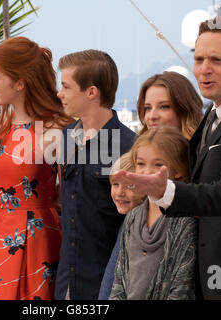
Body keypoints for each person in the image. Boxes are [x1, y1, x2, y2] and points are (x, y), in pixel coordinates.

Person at [115, 16, 221, 299]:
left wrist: (164, 190)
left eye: (217, 60)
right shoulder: (214, 113)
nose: (204, 70)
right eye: (198, 60)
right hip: (214, 279)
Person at [0, 37, 73, 300]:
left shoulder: (55, 129)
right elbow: (4, 190)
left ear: (20, 82)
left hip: (39, 243)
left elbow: (71, 191)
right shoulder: (4, 126)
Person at [55, 49, 136, 300]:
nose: (60, 94)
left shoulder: (129, 147)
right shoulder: (66, 137)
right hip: (66, 284)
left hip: (107, 285)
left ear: (91, 92)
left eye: (66, 87)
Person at [109, 126, 197, 300]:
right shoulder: (133, 217)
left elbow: (182, 287)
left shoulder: (185, 219)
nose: (146, 172)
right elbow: (119, 279)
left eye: (158, 165)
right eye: (141, 164)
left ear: (178, 170)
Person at [98, 153, 144, 300]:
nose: (119, 193)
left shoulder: (138, 224)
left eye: (129, 186)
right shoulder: (127, 223)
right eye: (115, 184)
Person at [137, 71, 203, 140]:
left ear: (185, 109)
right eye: (148, 108)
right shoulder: (136, 150)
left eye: (164, 107)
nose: (152, 116)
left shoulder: (206, 149)